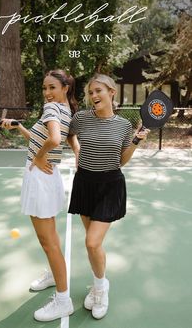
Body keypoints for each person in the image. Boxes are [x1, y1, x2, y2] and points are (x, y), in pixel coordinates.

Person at [67, 73, 149, 320]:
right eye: (91, 93)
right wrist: (77, 152)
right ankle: (98, 283)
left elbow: (121, 161)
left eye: (98, 91)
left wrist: (135, 141)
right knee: (94, 246)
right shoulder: (81, 118)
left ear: (112, 93)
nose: (93, 96)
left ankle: (101, 289)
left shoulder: (123, 126)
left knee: (92, 242)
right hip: (84, 184)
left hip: (110, 186)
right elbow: (70, 134)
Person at [1, 69, 77, 322]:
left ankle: (63, 301)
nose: (47, 93)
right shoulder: (65, 110)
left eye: (52, 87)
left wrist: (38, 156)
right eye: (44, 88)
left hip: (40, 176)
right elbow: (44, 138)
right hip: (49, 177)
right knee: (51, 239)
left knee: (49, 242)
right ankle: (55, 277)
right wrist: (20, 127)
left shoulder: (52, 110)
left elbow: (53, 140)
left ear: (65, 87)